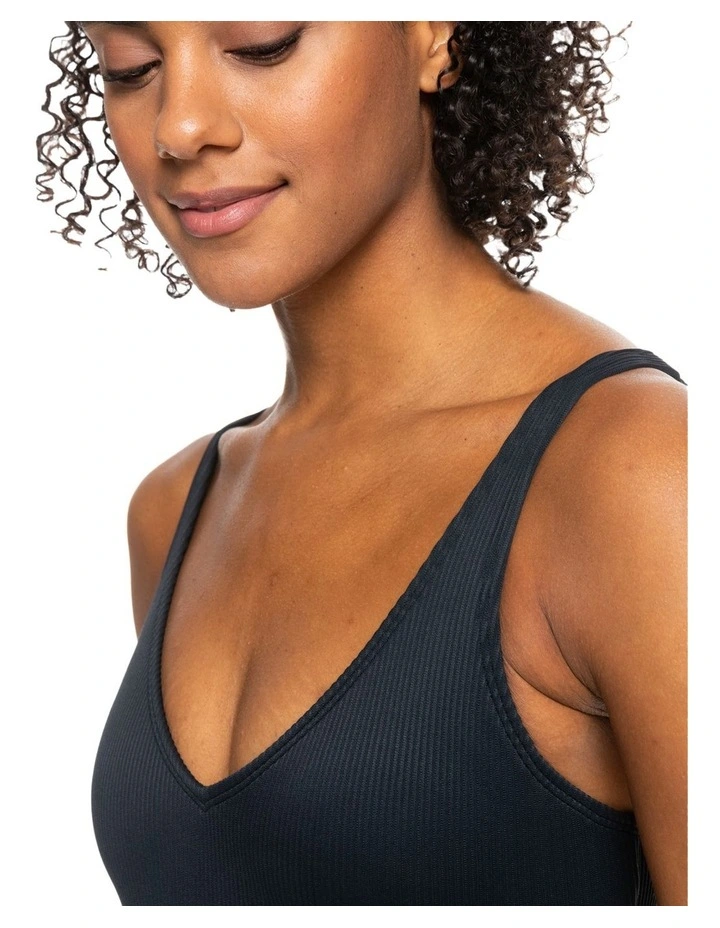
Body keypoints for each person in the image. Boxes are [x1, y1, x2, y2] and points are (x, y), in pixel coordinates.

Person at [37, 21, 687, 906]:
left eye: (262, 44)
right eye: (133, 66)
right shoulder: (176, 510)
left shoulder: (636, 473)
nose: (179, 127)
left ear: (430, 35)